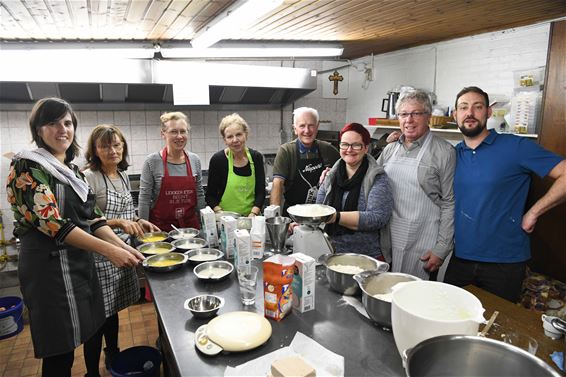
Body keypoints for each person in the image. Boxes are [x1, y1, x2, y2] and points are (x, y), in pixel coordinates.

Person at [5, 98, 143, 377]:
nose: (62, 130)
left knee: (85, 331)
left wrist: (123, 247)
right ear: (38, 129)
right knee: (59, 351)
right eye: (52, 123)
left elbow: (93, 218)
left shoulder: (71, 171)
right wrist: (110, 251)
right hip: (48, 270)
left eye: (67, 123)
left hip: (77, 266)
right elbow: (54, 224)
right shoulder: (27, 166)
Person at [444, 86, 566, 302]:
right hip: (460, 258)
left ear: (488, 113)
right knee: (449, 320)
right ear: (455, 115)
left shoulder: (515, 146)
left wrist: (534, 212)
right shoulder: (453, 154)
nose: (469, 113)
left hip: (504, 263)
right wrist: (398, 139)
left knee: (497, 328)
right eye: (463, 107)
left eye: (477, 107)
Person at [83, 124, 160, 373]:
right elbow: (86, 220)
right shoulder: (88, 177)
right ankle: (91, 372)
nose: (112, 150)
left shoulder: (122, 174)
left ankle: (112, 353)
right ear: (95, 150)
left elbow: (129, 211)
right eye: (105, 145)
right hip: (100, 254)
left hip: (122, 251)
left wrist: (138, 221)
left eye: (116, 144)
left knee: (112, 310)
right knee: (96, 319)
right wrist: (118, 223)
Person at [376, 89, 456, 280]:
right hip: (390, 236)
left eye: (416, 114)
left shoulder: (444, 152)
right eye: (404, 114)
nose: (409, 120)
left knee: (415, 297)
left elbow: (449, 202)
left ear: (428, 116)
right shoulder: (389, 149)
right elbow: (371, 181)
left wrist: (442, 248)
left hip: (424, 240)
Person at [317, 123, 393, 259]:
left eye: (356, 145)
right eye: (345, 144)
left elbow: (377, 218)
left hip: (366, 256)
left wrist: (336, 217)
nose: (349, 149)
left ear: (366, 148)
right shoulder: (331, 175)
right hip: (330, 251)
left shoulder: (377, 177)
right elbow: (319, 209)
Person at [138, 112, 205, 231]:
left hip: (191, 229)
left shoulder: (195, 160)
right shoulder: (152, 161)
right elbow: (145, 198)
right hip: (160, 230)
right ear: (163, 134)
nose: (179, 136)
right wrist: (143, 230)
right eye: (174, 131)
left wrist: (204, 225)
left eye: (183, 131)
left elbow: (199, 194)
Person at [271, 107, 340, 215]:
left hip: (321, 215)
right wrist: (275, 217)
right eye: (302, 126)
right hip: (293, 217)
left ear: (317, 127)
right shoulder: (286, 151)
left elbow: (345, 175)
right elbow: (278, 184)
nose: (307, 131)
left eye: (311, 125)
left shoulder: (328, 150)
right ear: (295, 129)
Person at [206, 113, 266, 217]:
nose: (235, 140)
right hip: (225, 220)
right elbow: (210, 196)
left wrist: (253, 214)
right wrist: (221, 214)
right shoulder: (218, 160)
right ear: (225, 140)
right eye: (230, 137)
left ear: (246, 134)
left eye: (238, 134)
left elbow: (260, 192)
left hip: (252, 218)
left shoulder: (256, 157)